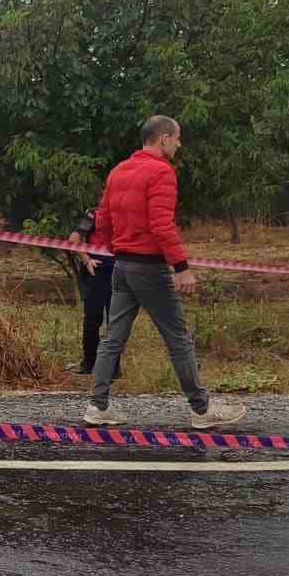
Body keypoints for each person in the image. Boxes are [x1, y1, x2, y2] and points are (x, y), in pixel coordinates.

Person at [84, 116, 246, 430]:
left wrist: (109, 248)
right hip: (149, 267)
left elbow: (102, 218)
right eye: (177, 139)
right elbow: (161, 225)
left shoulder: (119, 170)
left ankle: (98, 405)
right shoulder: (161, 172)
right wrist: (181, 267)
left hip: (122, 265)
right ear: (163, 139)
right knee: (178, 338)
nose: (179, 145)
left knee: (113, 338)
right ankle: (202, 410)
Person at [67, 209, 120, 378]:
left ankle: (114, 368)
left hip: (121, 272)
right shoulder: (94, 214)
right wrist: (86, 259)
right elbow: (74, 239)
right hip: (95, 272)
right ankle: (89, 363)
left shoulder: (130, 212)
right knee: (92, 318)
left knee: (117, 321)